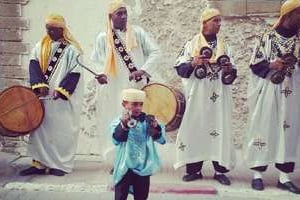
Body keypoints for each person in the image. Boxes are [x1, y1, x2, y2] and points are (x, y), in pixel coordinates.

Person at [173, 7, 237, 185]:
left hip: (219, 95)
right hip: (198, 94)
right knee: (196, 127)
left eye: (219, 21)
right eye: (215, 20)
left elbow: (234, 71)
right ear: (205, 23)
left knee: (220, 126)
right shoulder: (191, 44)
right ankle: (194, 170)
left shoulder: (226, 45)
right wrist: (193, 63)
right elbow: (179, 67)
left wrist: (229, 69)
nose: (219, 24)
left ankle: (220, 170)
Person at [90, 0, 160, 160]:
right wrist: (100, 74)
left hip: (135, 87)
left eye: (125, 13)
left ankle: (139, 157)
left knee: (138, 120)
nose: (123, 16)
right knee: (115, 119)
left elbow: (155, 52)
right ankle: (118, 159)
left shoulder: (138, 33)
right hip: (113, 88)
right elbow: (96, 61)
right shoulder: (103, 37)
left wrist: (142, 70)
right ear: (110, 17)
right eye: (119, 13)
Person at [244, 0, 300, 194]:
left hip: (292, 91)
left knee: (289, 131)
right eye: (299, 13)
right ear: (288, 15)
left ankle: (284, 177)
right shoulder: (267, 37)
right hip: (269, 89)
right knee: (263, 127)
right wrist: (271, 65)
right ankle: (257, 175)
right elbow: (254, 64)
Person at [19, 13, 83, 176]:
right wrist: (40, 85)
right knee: (39, 130)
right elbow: (33, 65)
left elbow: (75, 73)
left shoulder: (72, 50)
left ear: (62, 29)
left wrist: (61, 90)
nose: (50, 33)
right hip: (43, 98)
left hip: (61, 99)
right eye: (48, 29)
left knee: (61, 131)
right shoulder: (40, 46)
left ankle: (59, 165)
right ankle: (38, 164)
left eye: (53, 30)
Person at [110, 88, 165, 200]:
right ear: (124, 104)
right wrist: (124, 125)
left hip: (144, 165)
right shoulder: (117, 121)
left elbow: (161, 140)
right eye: (134, 104)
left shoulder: (148, 120)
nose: (138, 108)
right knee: (120, 195)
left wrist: (155, 128)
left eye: (141, 104)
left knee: (141, 196)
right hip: (125, 165)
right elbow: (116, 140)